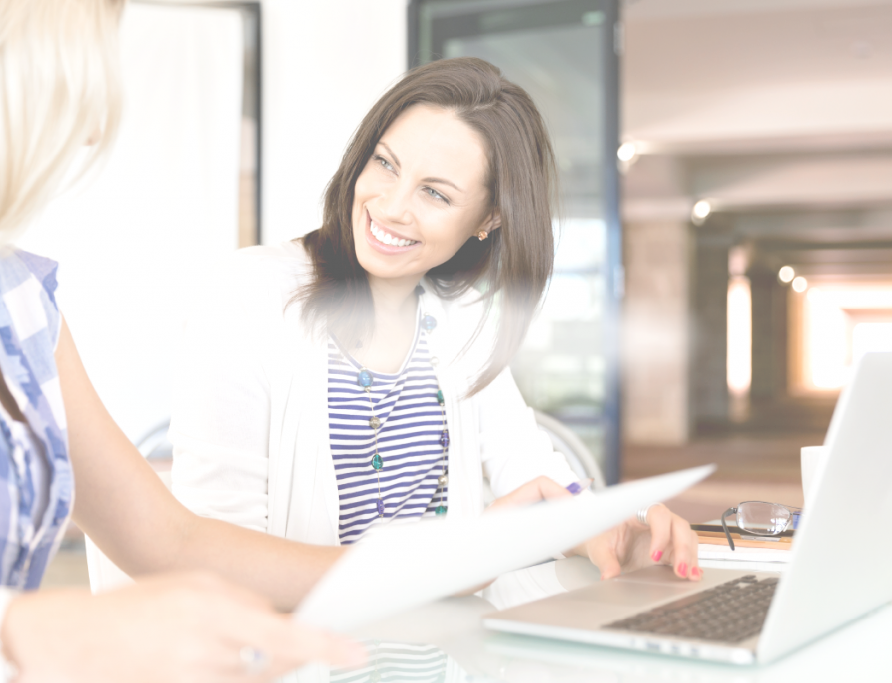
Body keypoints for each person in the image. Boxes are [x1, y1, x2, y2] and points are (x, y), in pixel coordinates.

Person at [0, 1, 368, 681]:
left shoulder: (14, 297)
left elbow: (168, 542)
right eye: (79, 79)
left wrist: (410, 569)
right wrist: (42, 630)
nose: (92, 130)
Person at [170, 57, 702, 582]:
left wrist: (609, 532)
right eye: (385, 163)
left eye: (435, 193)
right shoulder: (246, 295)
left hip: (446, 634)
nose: (391, 206)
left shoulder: (460, 315)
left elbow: (527, 466)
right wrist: (441, 567)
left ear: (489, 218)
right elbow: (215, 556)